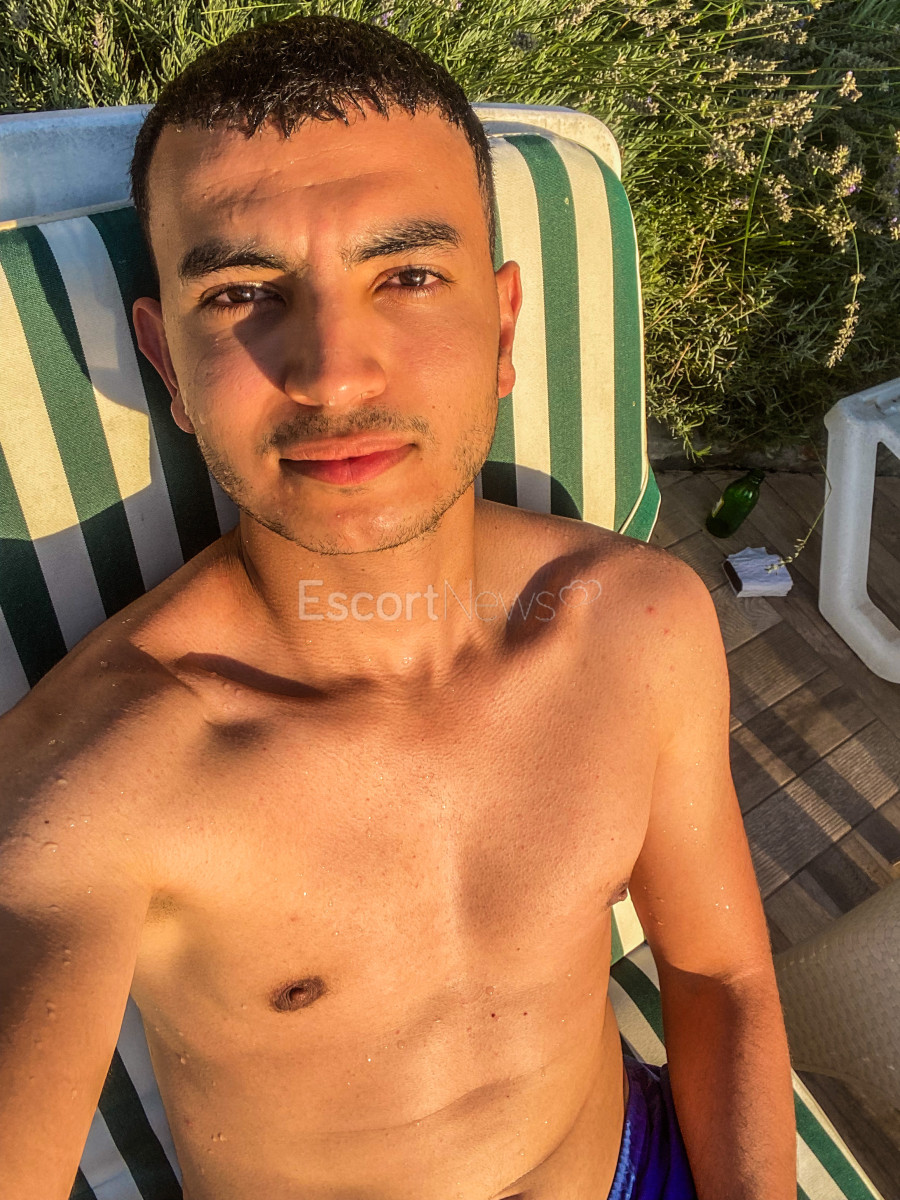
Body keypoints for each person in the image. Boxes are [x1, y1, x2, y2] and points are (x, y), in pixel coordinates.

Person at [0, 12, 796, 1200]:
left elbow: (721, 976)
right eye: (242, 292)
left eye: (409, 275)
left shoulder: (638, 627)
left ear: (505, 326)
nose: (333, 373)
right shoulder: (99, 779)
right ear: (168, 366)